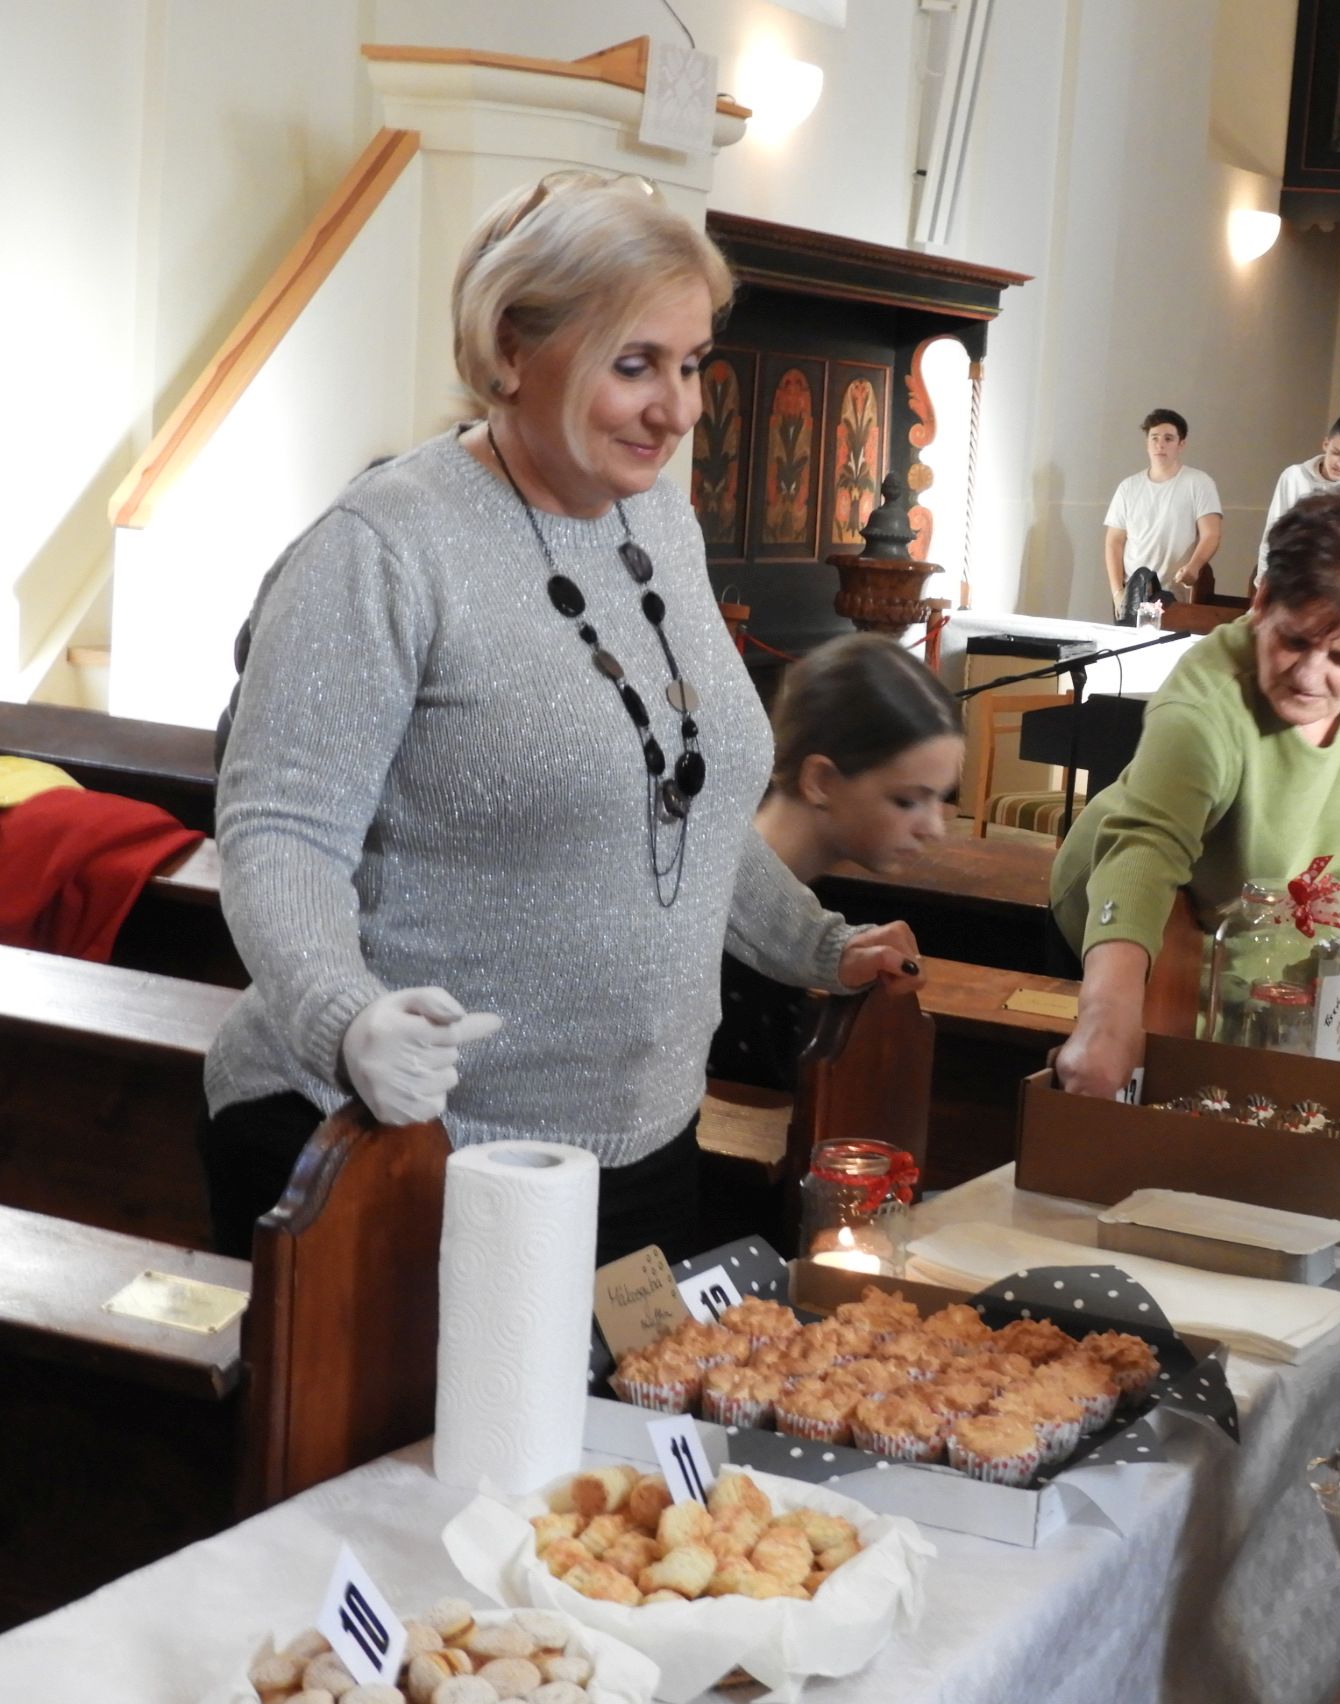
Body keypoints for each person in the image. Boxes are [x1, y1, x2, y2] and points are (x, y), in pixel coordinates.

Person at [198, 171, 919, 1266]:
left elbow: (679, 795)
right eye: (633, 365)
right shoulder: (385, 547)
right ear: (509, 350)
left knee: (602, 1447)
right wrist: (346, 1016)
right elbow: (277, 834)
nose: (676, 409)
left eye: (689, 366)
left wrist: (815, 946)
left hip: (635, 1147)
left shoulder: (659, 522)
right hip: (396, 1144)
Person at [1050, 489, 1340, 1095]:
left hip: (1309, 943)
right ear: (1261, 602)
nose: (1310, 676)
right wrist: (1105, 1019)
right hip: (1154, 920)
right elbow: (1146, 855)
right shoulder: (1208, 690)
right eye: (1294, 640)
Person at [710, 634, 963, 1091]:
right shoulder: (726, 947)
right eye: (907, 800)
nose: (934, 828)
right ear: (821, 781)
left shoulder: (798, 906)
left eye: (941, 800)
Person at [1103, 408, 1223, 624]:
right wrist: (1117, 592)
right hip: (1133, 591)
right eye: (1155, 438)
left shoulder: (1198, 482)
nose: (1160, 444)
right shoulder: (1128, 487)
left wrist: (1194, 567)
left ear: (1181, 444)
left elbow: (1211, 533)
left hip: (1173, 592)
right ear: (1147, 443)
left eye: (1168, 439)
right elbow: (1114, 541)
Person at [1255, 413, 1340, 582]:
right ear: (1326, 444)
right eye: (1336, 453)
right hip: (1297, 579)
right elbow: (1273, 536)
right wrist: (1263, 583)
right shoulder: (1294, 477)